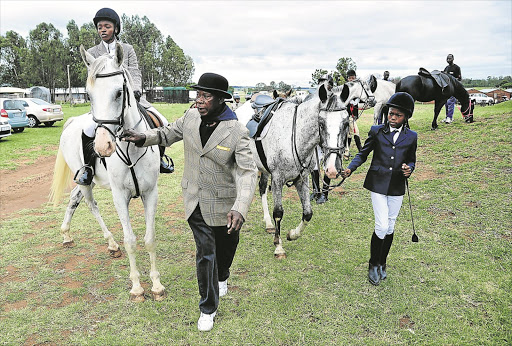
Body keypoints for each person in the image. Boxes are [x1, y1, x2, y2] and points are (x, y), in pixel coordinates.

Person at [120, 72, 258, 332]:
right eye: (198, 95)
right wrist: (143, 137)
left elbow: (246, 172)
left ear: (220, 100)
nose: (199, 100)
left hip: (225, 204)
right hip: (194, 200)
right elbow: (167, 133)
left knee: (225, 248)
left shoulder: (237, 131)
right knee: (206, 253)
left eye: (206, 96)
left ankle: (223, 275)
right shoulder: (191, 117)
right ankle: (208, 308)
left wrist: (240, 207)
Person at [76, 7, 174, 186]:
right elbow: (92, 79)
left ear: (116, 28)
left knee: (162, 121)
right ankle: (88, 167)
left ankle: (159, 158)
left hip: (132, 99)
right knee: (88, 130)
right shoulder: (93, 52)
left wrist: (136, 90)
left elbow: (135, 71)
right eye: (100, 27)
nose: (103, 30)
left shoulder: (127, 49)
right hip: (105, 104)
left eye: (107, 26)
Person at [341, 92, 417, 286]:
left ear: (406, 117)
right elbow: (363, 154)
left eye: (397, 115)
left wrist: (409, 169)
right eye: (391, 113)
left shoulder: (411, 136)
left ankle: (383, 262)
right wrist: (351, 168)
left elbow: (411, 160)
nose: (392, 117)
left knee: (390, 227)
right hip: (378, 184)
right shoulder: (377, 131)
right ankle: (373, 264)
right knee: (382, 226)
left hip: (397, 185)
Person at [311, 74, 333, 204]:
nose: (323, 85)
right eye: (321, 82)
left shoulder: (333, 100)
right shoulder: (314, 100)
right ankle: (315, 190)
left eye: (325, 83)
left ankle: (324, 193)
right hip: (316, 137)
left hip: (328, 138)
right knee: (314, 164)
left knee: (327, 165)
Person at [344, 69, 363, 160]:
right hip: (347, 115)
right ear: (348, 79)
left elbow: (358, 102)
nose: (352, 79)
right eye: (350, 78)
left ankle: (346, 154)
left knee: (349, 134)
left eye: (353, 78)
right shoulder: (345, 89)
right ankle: (360, 150)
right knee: (355, 132)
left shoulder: (357, 89)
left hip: (352, 115)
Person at [443, 54, 462, 124]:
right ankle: (447, 117)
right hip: (446, 89)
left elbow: (459, 79)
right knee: (446, 104)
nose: (448, 60)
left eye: (450, 58)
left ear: (453, 59)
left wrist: (452, 80)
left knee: (450, 103)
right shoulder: (446, 68)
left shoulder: (457, 68)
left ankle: (450, 117)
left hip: (453, 89)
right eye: (447, 59)